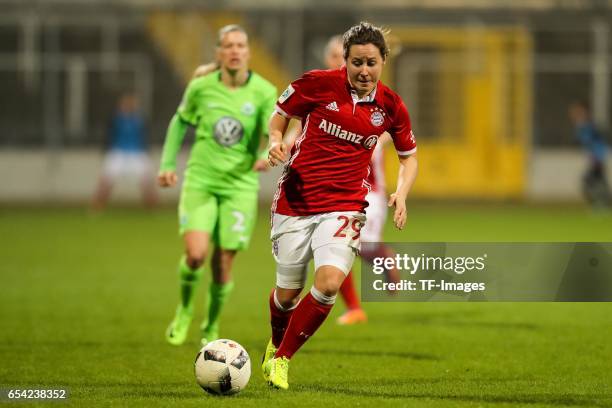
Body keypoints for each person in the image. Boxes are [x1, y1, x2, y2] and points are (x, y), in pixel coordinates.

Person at [262, 22, 418, 389]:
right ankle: (274, 343)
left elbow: (409, 156)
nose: (364, 70)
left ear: (384, 62)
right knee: (286, 295)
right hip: (296, 200)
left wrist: (402, 193)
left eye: (372, 63)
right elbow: (281, 114)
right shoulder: (316, 83)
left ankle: (283, 359)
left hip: (346, 204)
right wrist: (275, 140)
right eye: (357, 62)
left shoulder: (391, 106)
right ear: (345, 61)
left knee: (329, 282)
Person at [158, 24, 276, 346]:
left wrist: (267, 153)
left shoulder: (264, 92)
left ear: (249, 52)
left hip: (240, 185)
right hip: (202, 180)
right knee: (195, 255)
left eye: (241, 45)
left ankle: (210, 326)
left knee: (223, 263)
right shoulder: (201, 87)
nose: (235, 51)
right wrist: (168, 164)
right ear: (219, 53)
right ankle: (184, 310)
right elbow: (180, 120)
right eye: (228, 45)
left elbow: (276, 130)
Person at [92, 92, 157, 210]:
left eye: (132, 103)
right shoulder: (115, 118)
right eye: (126, 103)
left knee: (147, 179)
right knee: (106, 179)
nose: (129, 105)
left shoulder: (140, 119)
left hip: (137, 152)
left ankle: (152, 207)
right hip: (118, 152)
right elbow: (108, 134)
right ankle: (98, 206)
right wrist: (105, 149)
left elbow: (145, 136)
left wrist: (146, 149)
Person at [568, 101, 610, 207]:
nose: (573, 114)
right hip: (594, 158)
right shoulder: (580, 127)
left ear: (584, 112)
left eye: (576, 111)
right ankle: (602, 203)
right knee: (596, 181)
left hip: (598, 157)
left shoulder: (590, 126)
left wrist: (599, 157)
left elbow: (600, 141)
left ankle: (602, 203)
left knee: (591, 180)